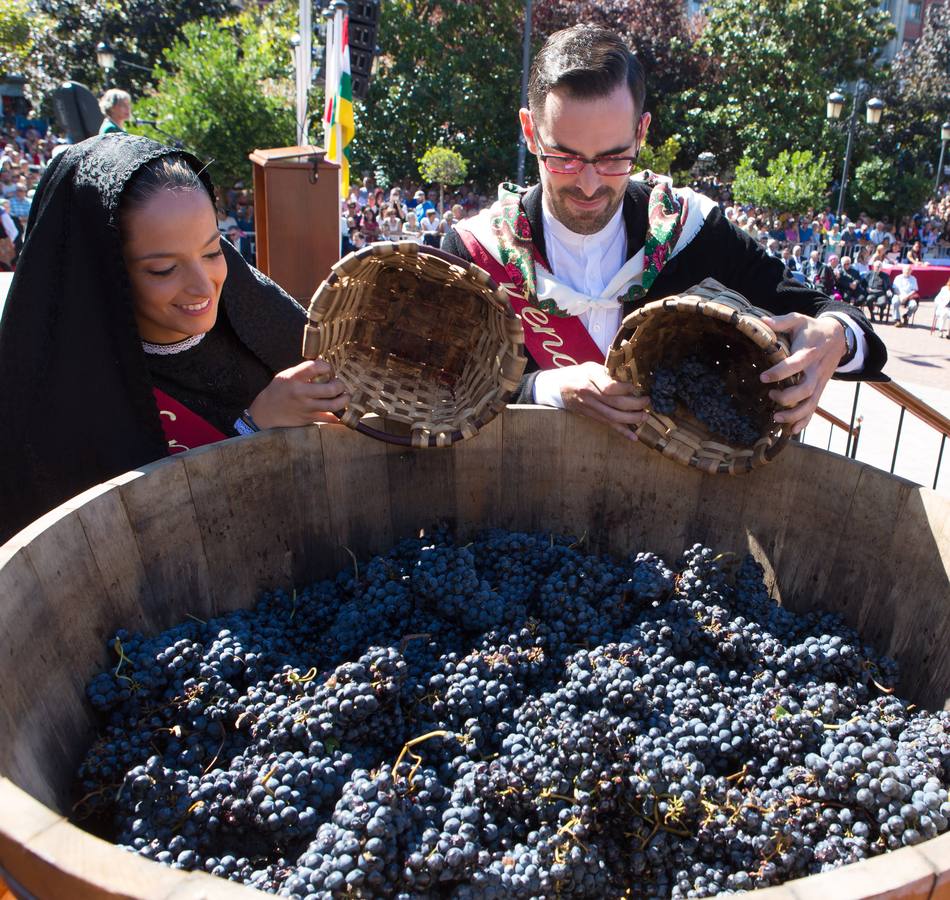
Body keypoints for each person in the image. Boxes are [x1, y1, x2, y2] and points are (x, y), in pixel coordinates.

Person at [440, 25, 885, 440]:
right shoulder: (476, 249)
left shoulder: (691, 230)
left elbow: (838, 320)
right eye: (564, 158)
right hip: (524, 507)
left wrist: (835, 336)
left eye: (615, 158)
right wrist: (545, 388)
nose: (590, 184)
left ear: (641, 132)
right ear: (529, 131)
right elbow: (445, 388)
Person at [0, 133, 349, 542]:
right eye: (164, 269)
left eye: (212, 251)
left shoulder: (265, 325)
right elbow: (125, 548)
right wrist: (253, 428)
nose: (203, 287)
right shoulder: (61, 409)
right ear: (102, 276)